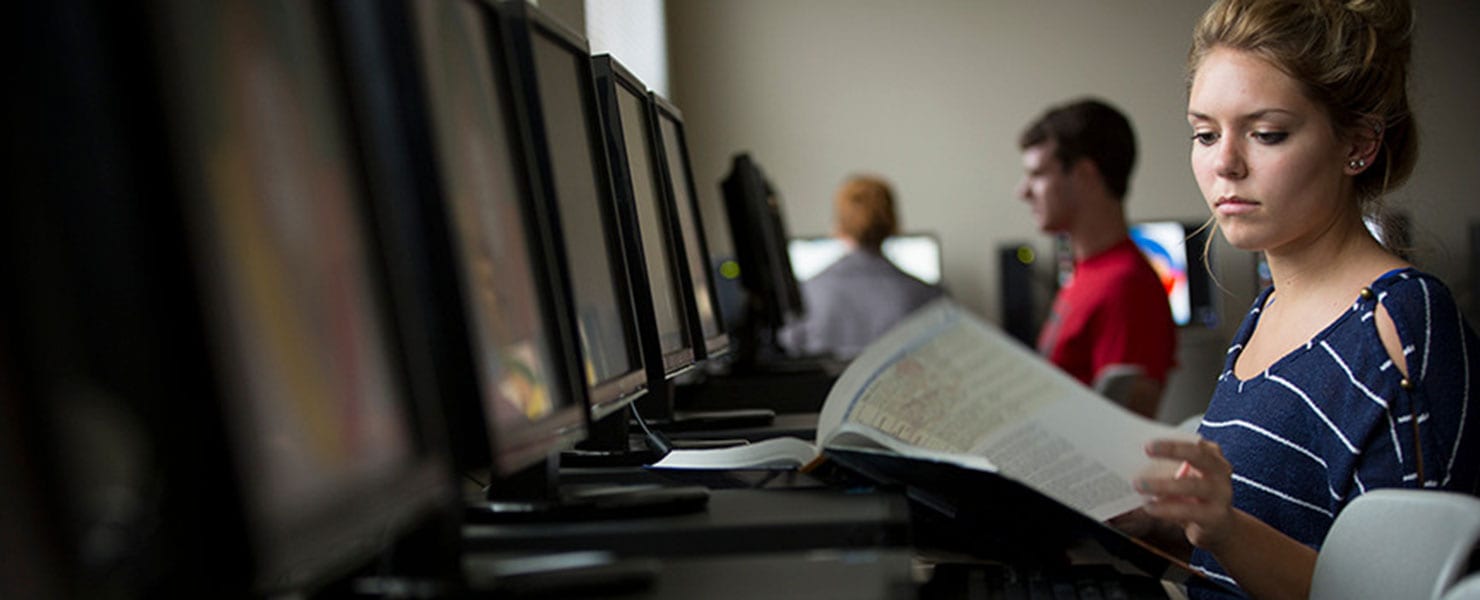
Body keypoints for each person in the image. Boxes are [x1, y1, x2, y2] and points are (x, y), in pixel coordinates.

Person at [1127, 1, 1480, 599]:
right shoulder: (1266, 315)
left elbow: (1399, 593)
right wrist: (1168, 523)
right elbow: (1273, 538)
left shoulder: (1402, 323)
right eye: (1205, 134)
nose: (1224, 164)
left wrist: (1226, 530)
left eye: (1267, 134)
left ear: (1359, 145)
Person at [1016, 98, 1177, 418]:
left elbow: (1123, 433)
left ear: (1085, 176)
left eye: (1037, 174)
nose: (1023, 191)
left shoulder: (1126, 286)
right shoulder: (1087, 273)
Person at [779, 175, 943, 360]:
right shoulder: (930, 296)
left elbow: (789, 348)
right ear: (892, 223)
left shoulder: (806, 293)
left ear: (839, 225)